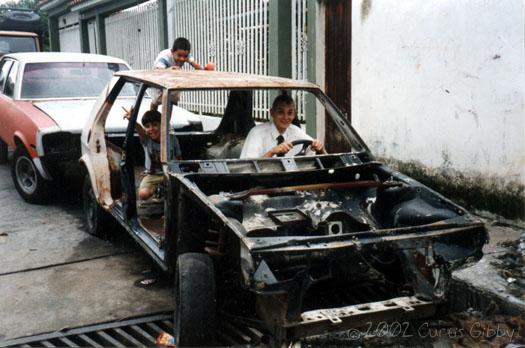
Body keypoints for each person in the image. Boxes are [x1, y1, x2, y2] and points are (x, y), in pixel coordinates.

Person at [240, 94, 325, 158]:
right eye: (281, 112)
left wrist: (320, 148)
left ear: (294, 114)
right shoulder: (257, 133)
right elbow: (247, 167)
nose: (286, 117)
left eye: (290, 113)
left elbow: (320, 155)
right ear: (272, 112)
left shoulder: (297, 132)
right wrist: (272, 152)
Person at [123, 108, 181, 200]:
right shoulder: (147, 141)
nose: (151, 129)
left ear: (162, 125)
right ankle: (158, 189)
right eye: (147, 126)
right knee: (143, 194)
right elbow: (139, 130)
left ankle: (165, 190)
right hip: (154, 175)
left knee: (179, 194)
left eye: (154, 125)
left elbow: (178, 157)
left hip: (172, 173)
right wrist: (132, 120)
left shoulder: (172, 139)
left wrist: (179, 172)